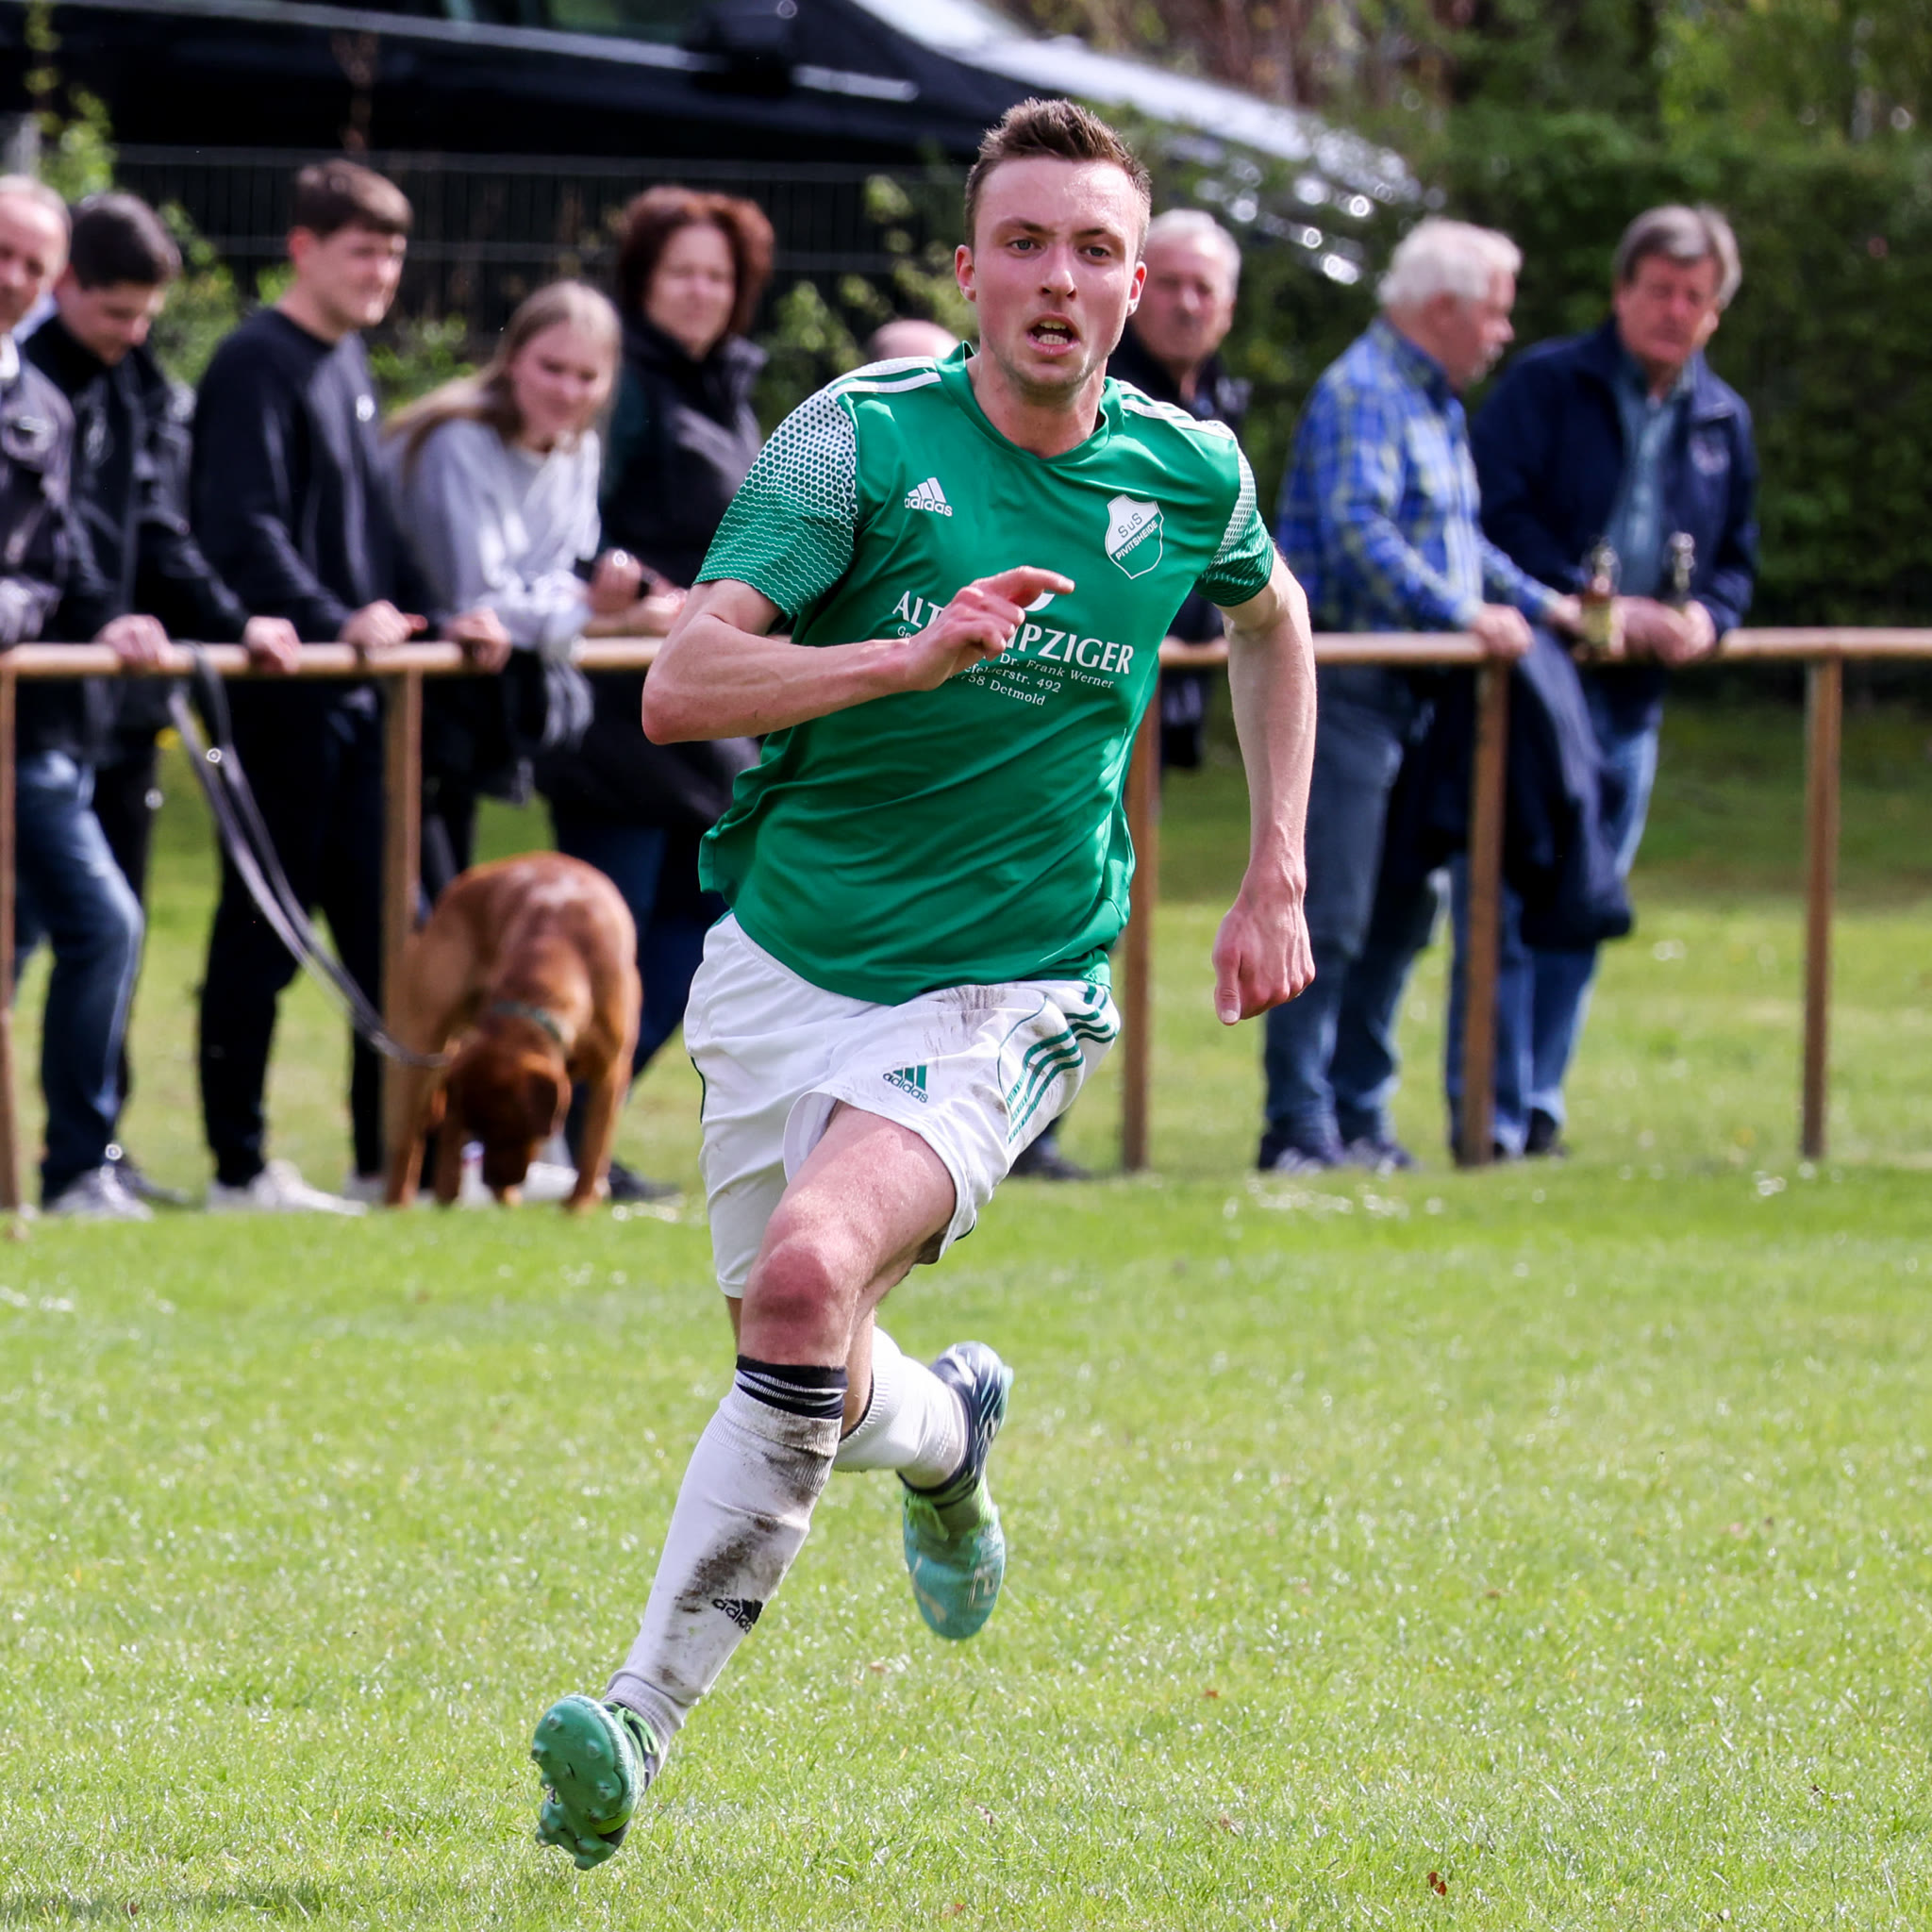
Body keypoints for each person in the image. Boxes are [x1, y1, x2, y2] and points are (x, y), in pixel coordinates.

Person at [527, 98, 1317, 1869]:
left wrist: (1274, 866)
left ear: (1136, 288)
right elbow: (681, 687)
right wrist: (906, 655)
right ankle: (949, 1433)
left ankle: (634, 1722)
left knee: (810, 1274)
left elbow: (1272, 622)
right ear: (969, 271)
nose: (1058, 279)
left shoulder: (1188, 472)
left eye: (1094, 250)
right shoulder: (855, 444)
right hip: (788, 958)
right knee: (793, 1333)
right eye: (1023, 244)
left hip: (1008, 981)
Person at [190, 158, 508, 1213]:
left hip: (362, 705)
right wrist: (335, 622)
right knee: (263, 935)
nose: (380, 274)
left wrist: (437, 616)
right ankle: (238, 1169)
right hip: (281, 698)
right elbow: (242, 530)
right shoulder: (253, 362)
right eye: (362, 252)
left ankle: (391, 1160)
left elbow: (375, 535)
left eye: (393, 254)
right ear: (303, 248)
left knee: (395, 940)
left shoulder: (348, 361)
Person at [1259, 217, 1581, 1174]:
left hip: (1424, 698)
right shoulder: (1363, 390)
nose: (1503, 333)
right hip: (1351, 689)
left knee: (1405, 913)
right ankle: (1297, 1124)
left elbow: (1458, 541)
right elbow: (1359, 536)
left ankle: (1361, 1116)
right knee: (1332, 912)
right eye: (1494, 312)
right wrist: (1462, 615)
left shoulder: (1432, 402)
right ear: (1442, 307)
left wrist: (1545, 605)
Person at [22, 192, 302, 1209]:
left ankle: (93, 1152)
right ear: (66, 287)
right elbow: (55, 541)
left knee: (105, 933)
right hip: (39, 703)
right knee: (76, 928)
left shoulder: (137, 384)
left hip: (116, 709)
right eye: (115, 312)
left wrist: (236, 622)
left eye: (147, 315)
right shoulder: (28, 383)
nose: (134, 333)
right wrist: (104, 619)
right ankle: (71, 1160)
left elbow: (153, 528)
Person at [1469, 205, 1757, 1156]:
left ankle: (1541, 1109)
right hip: (1536, 685)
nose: (1675, 311)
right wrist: (1583, 601)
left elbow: (1736, 560)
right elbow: (1491, 517)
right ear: (1620, 292)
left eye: (1694, 296)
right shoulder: (1545, 384)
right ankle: (1492, 1115)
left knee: (1586, 904)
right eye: (1659, 290)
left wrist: (1706, 618)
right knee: (1511, 903)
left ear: (1715, 312)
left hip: (1635, 701)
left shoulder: (1723, 418)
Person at [533, 185, 773, 1204]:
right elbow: (567, 514)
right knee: (606, 934)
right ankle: (534, 1133)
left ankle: (575, 1126)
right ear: (642, 280)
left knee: (709, 921)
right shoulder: (619, 381)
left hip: (709, 706)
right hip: (616, 707)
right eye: (681, 272)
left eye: (718, 275)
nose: (700, 292)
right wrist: (622, 585)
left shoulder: (731, 391)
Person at [385, 278, 679, 898]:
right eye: (552, 367)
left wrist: (603, 599)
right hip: (397, 690)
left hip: (470, 701)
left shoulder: (579, 450)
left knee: (447, 900)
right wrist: (613, 621)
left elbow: (554, 578)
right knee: (408, 908)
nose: (567, 391)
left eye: (587, 376)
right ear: (513, 357)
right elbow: (475, 601)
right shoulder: (457, 440)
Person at [0, 175, 172, 1220]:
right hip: (36, 724)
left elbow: (50, 568)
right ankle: (74, 1163)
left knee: (78, 927)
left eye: (31, 260)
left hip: (35, 723)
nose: (14, 278)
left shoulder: (43, 404)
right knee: (89, 926)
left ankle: (76, 1166)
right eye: (4, 254)